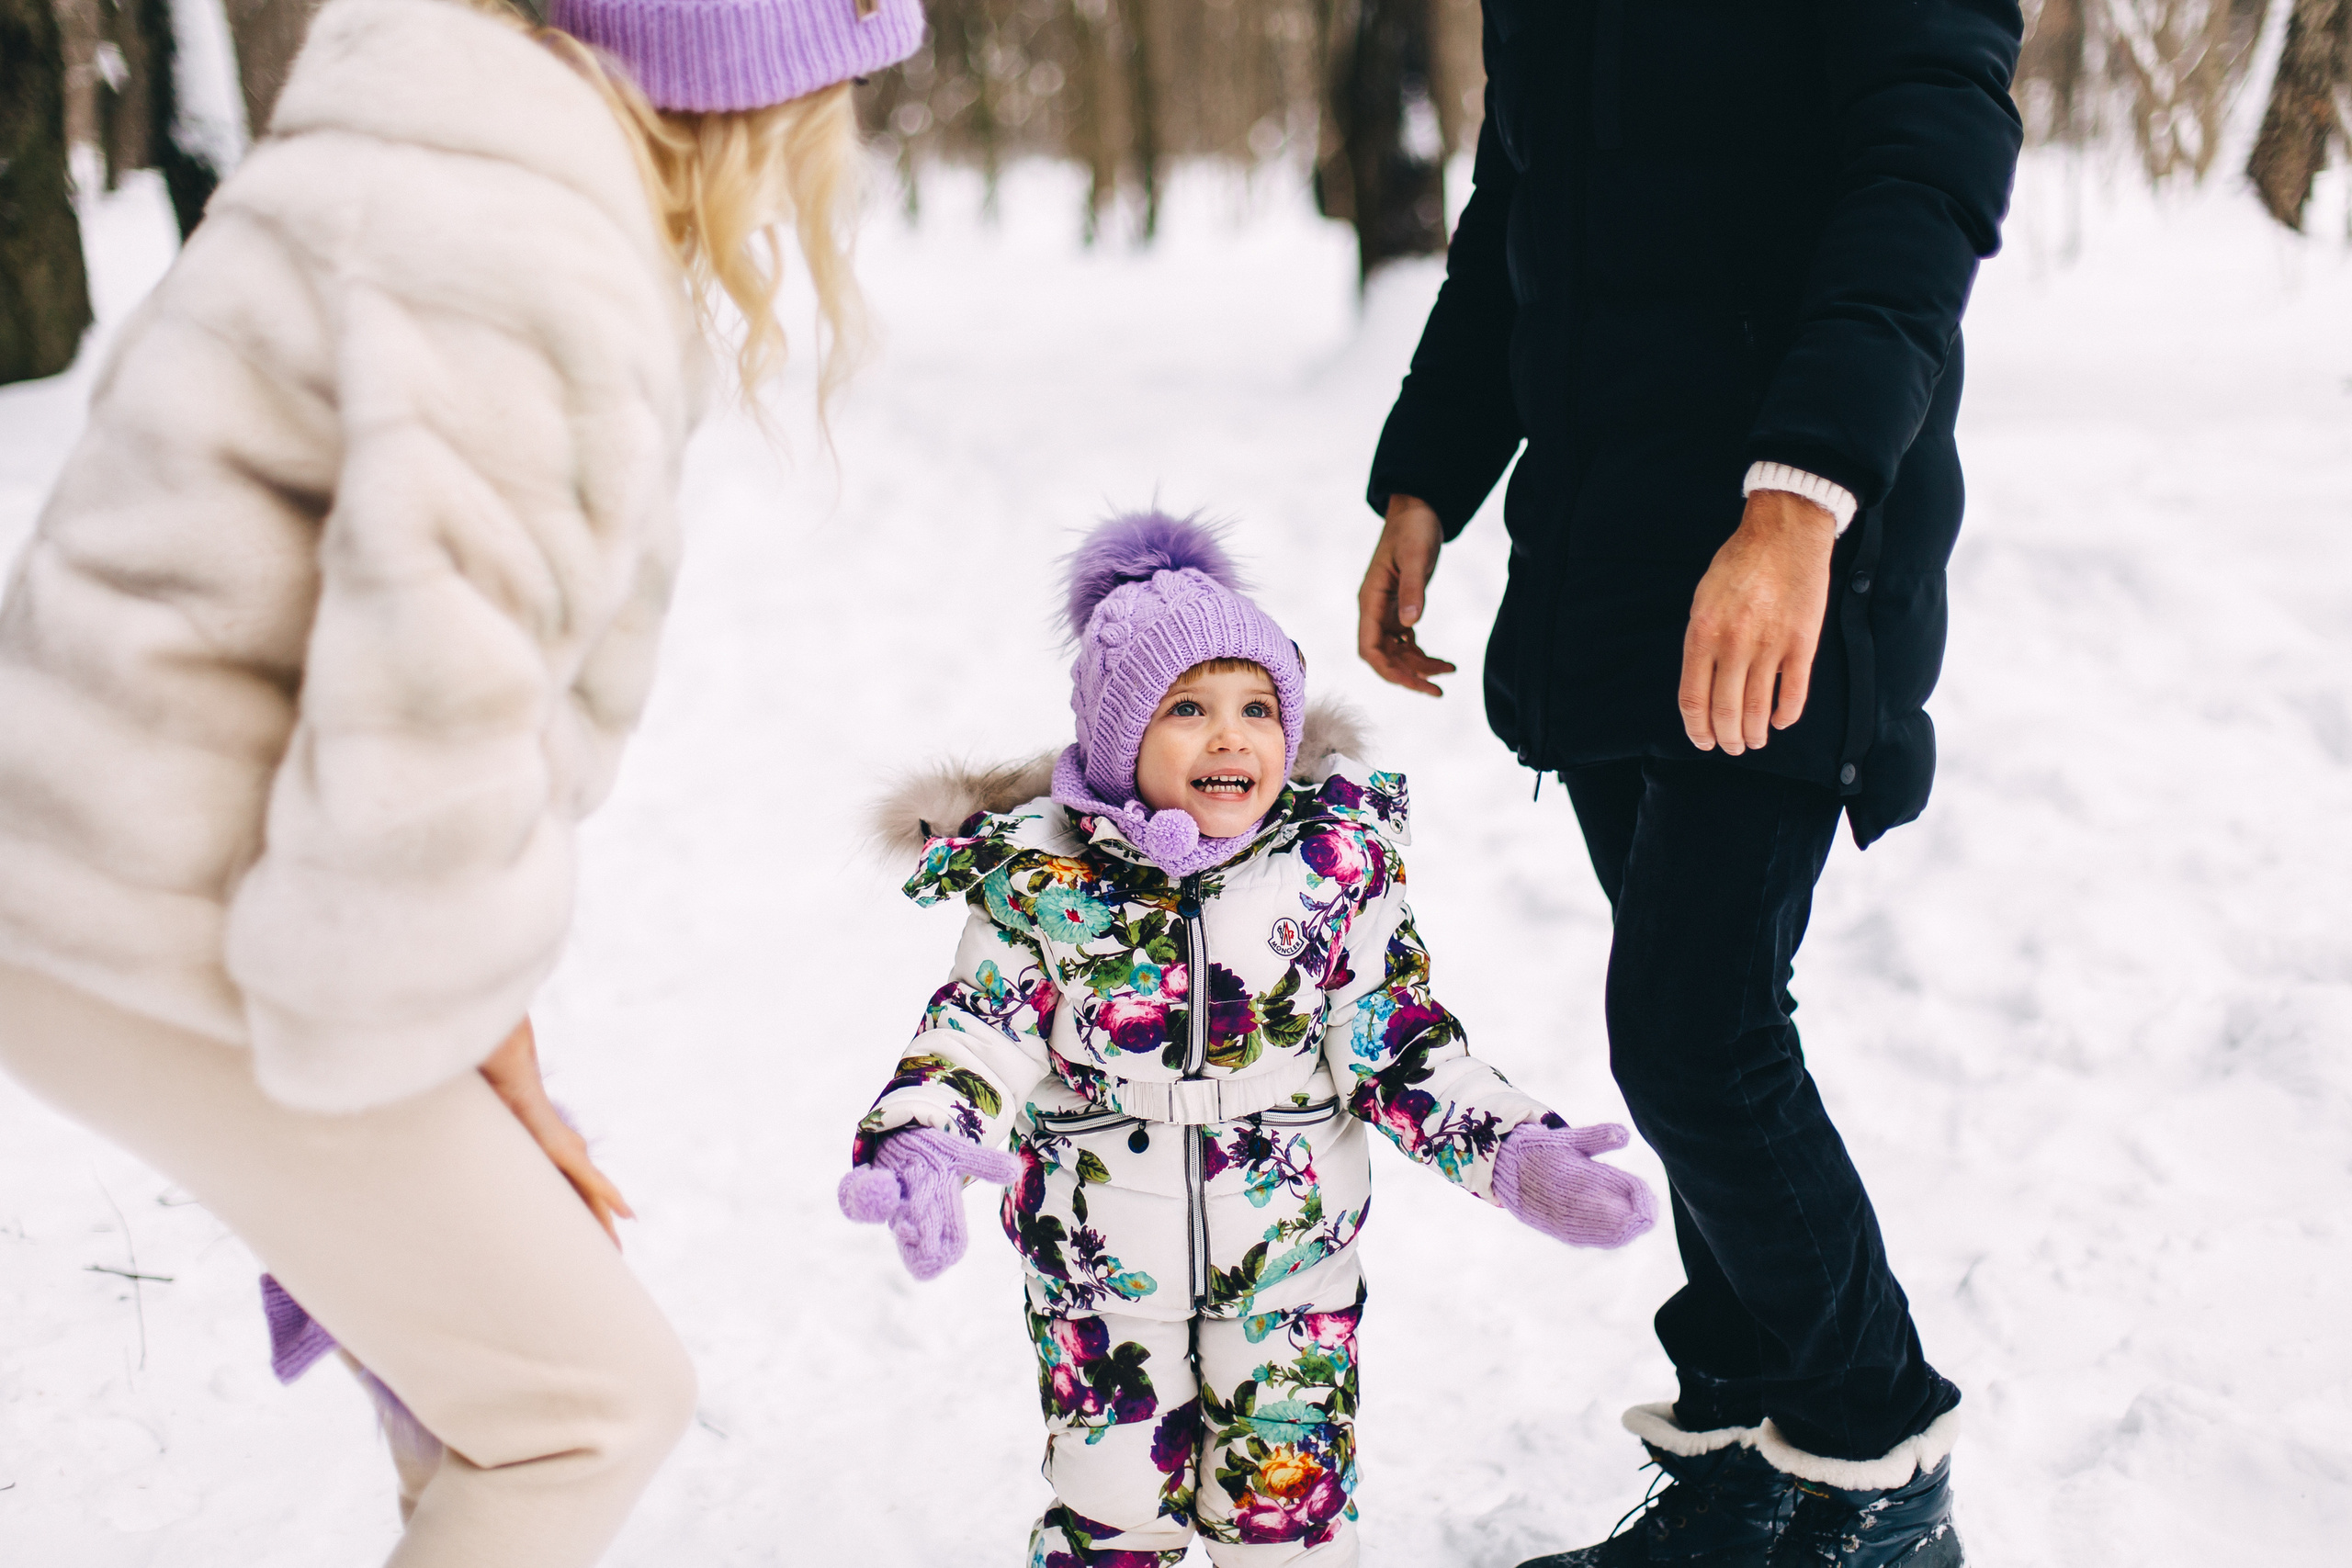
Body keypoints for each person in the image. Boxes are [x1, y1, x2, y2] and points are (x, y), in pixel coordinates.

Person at [0, 0, 921, 1559]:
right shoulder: (530, 248)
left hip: (102, 869)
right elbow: (428, 709)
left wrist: (467, 1080)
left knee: (483, 1391)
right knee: (587, 1402)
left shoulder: (430, 144)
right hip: (163, 915)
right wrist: (421, 1057)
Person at [1352, 5, 2025, 1567]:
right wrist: (1428, 478)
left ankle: (1878, 1465)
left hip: (1795, 562)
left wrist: (1800, 502)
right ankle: (1742, 1457)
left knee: (1694, 1029)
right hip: (1611, 562)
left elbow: (1922, 189)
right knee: (1683, 1019)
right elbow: (1521, 214)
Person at [839, 513, 1658, 1566]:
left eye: (1256, 708)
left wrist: (1515, 1151)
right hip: (1097, 1273)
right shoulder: (1042, 885)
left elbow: (1398, 1041)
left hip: (1292, 1268)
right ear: (1117, 738)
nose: (1231, 736)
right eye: (1187, 709)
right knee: (1110, 1515)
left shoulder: (1327, 873)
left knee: (1286, 1517)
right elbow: (973, 1030)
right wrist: (917, 1138)